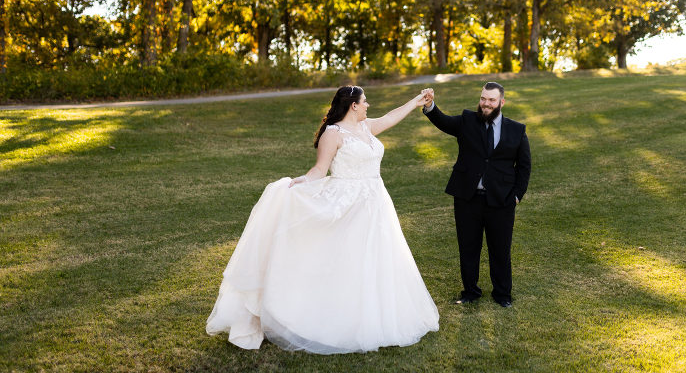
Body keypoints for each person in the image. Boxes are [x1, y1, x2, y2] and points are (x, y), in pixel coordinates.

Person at [206, 86, 439, 354]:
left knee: (376, 258)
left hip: (375, 202)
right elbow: (319, 169)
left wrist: (416, 101)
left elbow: (391, 117)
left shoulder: (366, 127)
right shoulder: (333, 133)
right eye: (364, 102)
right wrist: (299, 183)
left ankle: (375, 315)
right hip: (347, 203)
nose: (368, 105)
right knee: (346, 259)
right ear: (353, 105)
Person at [421, 82, 531, 307]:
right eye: (483, 98)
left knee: (500, 250)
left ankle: (502, 294)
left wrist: (517, 196)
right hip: (467, 198)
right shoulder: (467, 121)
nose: (486, 104)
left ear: (502, 102)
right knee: (468, 248)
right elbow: (442, 121)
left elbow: (524, 167)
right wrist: (430, 105)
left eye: (491, 100)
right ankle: (470, 291)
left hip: (501, 201)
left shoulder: (517, 130)